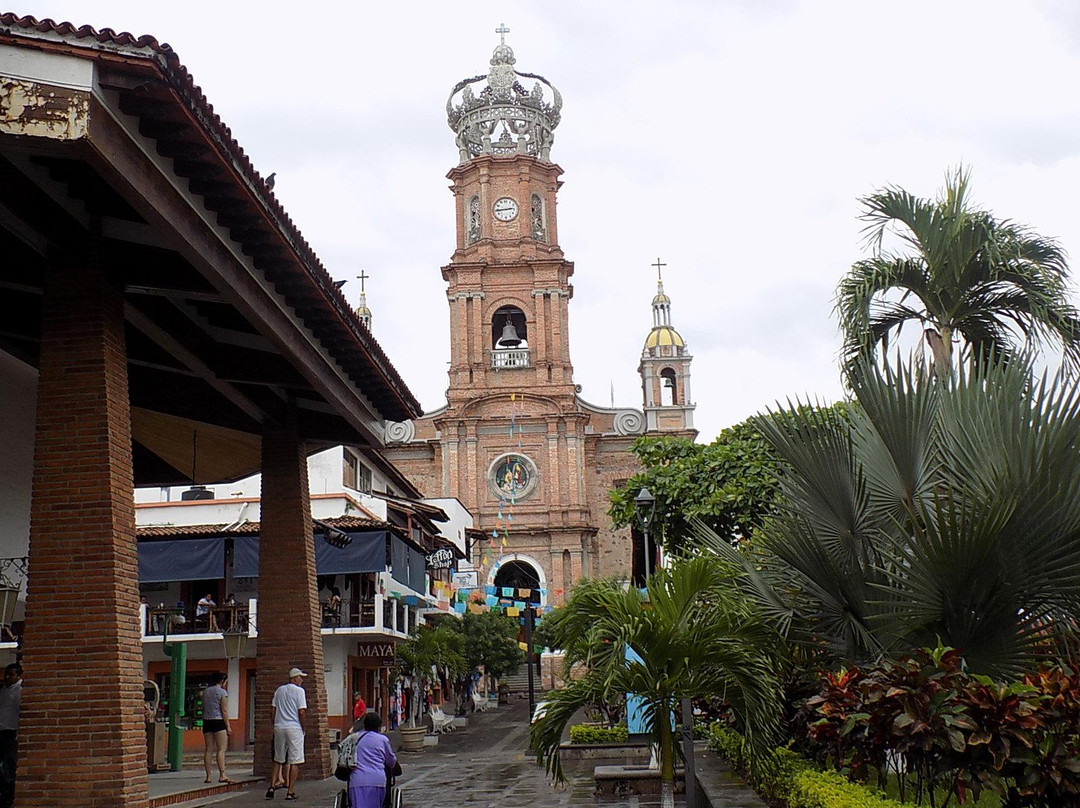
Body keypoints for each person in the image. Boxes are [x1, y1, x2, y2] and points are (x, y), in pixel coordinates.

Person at [267, 667, 307, 801]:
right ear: (294, 678)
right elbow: (301, 711)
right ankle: (290, 791)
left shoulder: (279, 690)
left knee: (278, 758)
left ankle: (271, 786)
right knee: (295, 760)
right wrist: (303, 727)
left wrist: (275, 723)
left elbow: (272, 709)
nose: (301, 680)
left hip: (279, 727)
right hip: (294, 727)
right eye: (300, 677)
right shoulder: (300, 691)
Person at [348, 712, 398, 808]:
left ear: (364, 725)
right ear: (379, 726)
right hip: (377, 781)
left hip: (357, 781)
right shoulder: (382, 740)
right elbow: (391, 762)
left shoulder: (354, 739)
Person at [201, 673, 234, 784]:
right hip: (218, 721)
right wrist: (228, 726)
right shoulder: (222, 692)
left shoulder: (205, 691)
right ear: (222, 681)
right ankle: (222, 774)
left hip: (207, 721)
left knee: (208, 749)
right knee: (221, 749)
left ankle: (208, 776)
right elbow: (224, 710)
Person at [0, 663, 21, 808]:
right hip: (2, 730)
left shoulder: (19, 690)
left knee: (9, 765)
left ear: (18, 676)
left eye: (11, 674)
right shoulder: (4, 690)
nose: (7, 677)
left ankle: (9, 795)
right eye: (6, 674)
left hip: (11, 731)